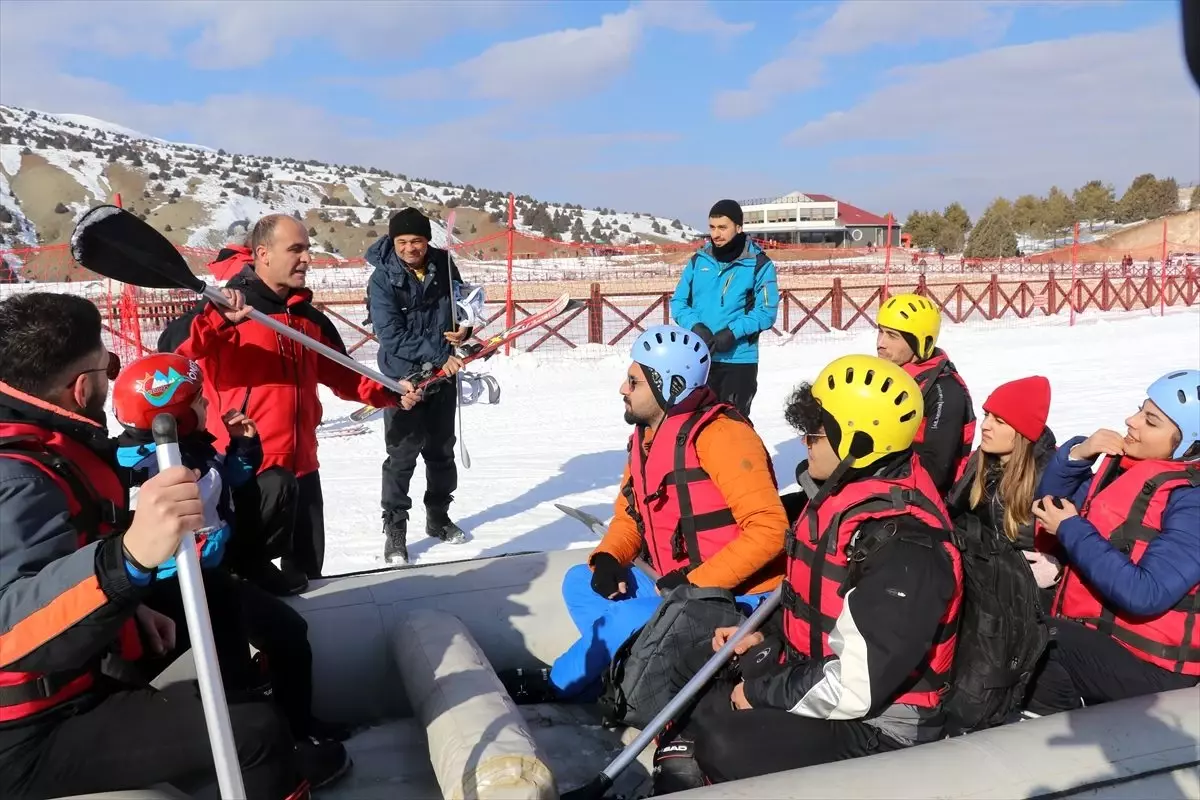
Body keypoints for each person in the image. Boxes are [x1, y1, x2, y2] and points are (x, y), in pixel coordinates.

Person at [0, 293, 304, 799]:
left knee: (226, 616)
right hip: (27, 732)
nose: (111, 377)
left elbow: (49, 562)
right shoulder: (17, 478)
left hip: (83, 671)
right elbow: (10, 626)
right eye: (108, 366)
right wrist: (127, 559)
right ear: (82, 388)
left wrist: (129, 605)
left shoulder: (44, 452)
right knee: (254, 733)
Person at [661, 354, 963, 789]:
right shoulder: (841, 498)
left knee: (724, 741)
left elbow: (858, 686)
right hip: (825, 674)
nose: (805, 444)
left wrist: (761, 691)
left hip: (885, 722)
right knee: (698, 669)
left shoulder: (906, 546)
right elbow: (822, 606)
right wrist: (768, 637)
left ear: (860, 444)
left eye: (814, 434)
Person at [111, 352, 351, 787]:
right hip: (169, 591)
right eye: (198, 401)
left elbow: (227, 482)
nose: (207, 407)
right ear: (174, 418)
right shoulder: (137, 470)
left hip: (212, 577)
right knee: (231, 674)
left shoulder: (192, 449)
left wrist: (243, 447)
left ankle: (298, 726)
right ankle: (265, 761)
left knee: (288, 634)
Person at [524, 324, 787, 703]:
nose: (622, 389)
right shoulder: (646, 438)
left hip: (737, 596)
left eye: (634, 382)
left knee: (621, 621)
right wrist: (611, 558)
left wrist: (695, 583)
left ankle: (561, 684)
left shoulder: (724, 436)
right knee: (580, 581)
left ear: (671, 387)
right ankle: (633, 663)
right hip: (676, 585)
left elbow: (770, 529)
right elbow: (630, 514)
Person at [159, 214, 419, 585]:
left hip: (303, 468)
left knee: (309, 577)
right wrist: (217, 320)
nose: (307, 259)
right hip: (247, 472)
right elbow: (172, 351)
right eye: (295, 249)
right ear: (262, 254)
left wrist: (390, 391)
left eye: (308, 249)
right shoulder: (227, 309)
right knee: (246, 580)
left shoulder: (307, 318)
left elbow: (344, 374)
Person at [1026, 369, 1200, 713]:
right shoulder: (1129, 469)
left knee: (1036, 638)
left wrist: (1073, 530)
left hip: (1155, 669)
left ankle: (1053, 743)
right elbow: (1050, 508)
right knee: (1007, 610)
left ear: (1188, 443)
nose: (1130, 421)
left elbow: (1145, 594)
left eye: (1150, 421)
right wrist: (1078, 457)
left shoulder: (1191, 501)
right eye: (1140, 409)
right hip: (1106, 640)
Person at [366, 207, 478, 565]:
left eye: (416, 240)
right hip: (403, 381)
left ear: (427, 240)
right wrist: (438, 354)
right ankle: (395, 528)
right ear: (392, 241)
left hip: (443, 377)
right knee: (402, 456)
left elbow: (464, 306)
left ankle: (439, 517)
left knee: (442, 451)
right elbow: (391, 336)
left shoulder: (444, 265)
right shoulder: (382, 279)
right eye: (402, 241)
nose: (410, 248)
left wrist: (465, 330)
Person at [947, 375, 1061, 607]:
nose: (985, 425)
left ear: (1022, 432)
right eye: (987, 415)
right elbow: (952, 514)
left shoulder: (1051, 475)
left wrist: (1060, 567)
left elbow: (1079, 536)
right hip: (977, 591)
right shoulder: (980, 460)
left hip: (1025, 604)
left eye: (999, 421)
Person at [669, 199, 779, 419]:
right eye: (712, 227)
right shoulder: (698, 261)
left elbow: (767, 311)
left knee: (733, 426)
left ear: (738, 227)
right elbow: (678, 302)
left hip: (738, 360)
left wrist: (732, 332)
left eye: (722, 227)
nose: (716, 234)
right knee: (696, 424)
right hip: (699, 358)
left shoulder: (759, 264)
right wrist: (696, 326)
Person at [875, 292, 976, 495]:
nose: (881, 343)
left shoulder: (945, 392)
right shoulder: (890, 376)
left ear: (920, 343)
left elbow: (935, 471)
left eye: (892, 336)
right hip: (887, 479)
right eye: (880, 332)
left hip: (925, 498)